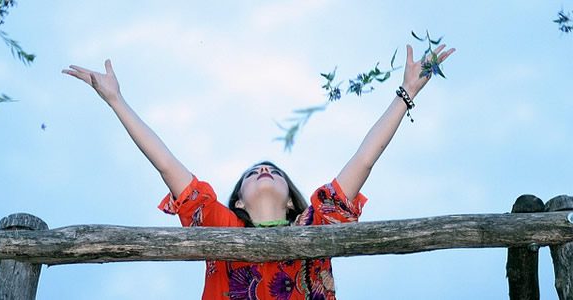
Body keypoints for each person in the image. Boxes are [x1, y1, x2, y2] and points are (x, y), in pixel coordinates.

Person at [63, 44, 455, 300]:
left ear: (290, 199)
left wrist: (405, 95)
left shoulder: (316, 224)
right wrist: (117, 101)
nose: (263, 170)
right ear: (237, 200)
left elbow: (365, 159)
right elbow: (166, 164)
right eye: (253, 172)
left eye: (272, 170)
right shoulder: (219, 226)